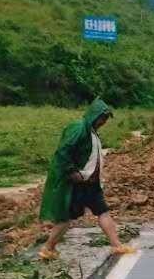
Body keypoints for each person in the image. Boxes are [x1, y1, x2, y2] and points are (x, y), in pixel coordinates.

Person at [38, 97, 138, 262]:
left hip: (91, 184)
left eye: (105, 119)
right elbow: (63, 151)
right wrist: (71, 171)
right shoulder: (79, 128)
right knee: (66, 218)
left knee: (103, 211)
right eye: (102, 118)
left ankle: (116, 245)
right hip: (80, 184)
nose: (103, 122)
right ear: (94, 115)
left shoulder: (91, 131)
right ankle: (48, 248)